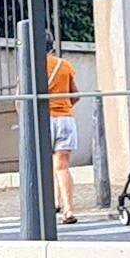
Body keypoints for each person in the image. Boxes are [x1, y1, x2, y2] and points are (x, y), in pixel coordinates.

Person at [43, 49, 85, 224]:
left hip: (43, 119)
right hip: (65, 120)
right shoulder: (64, 65)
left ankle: (52, 203)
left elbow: (19, 98)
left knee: (45, 165)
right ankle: (67, 210)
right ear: (52, 48)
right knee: (62, 166)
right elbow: (75, 94)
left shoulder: (31, 65)